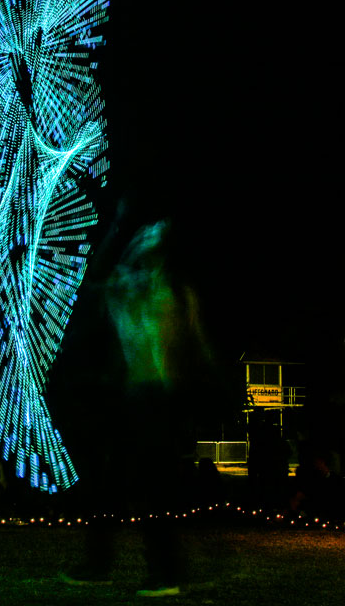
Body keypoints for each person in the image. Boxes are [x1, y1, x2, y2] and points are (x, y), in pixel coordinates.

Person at [62, 220, 213, 598]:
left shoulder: (172, 292)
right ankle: (110, 566)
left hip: (155, 401)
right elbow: (98, 276)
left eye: (152, 240)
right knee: (114, 482)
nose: (145, 242)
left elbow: (195, 350)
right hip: (135, 398)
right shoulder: (133, 286)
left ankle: (159, 571)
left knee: (148, 487)